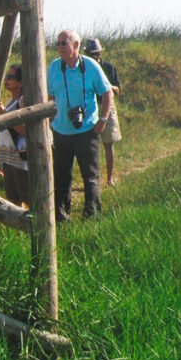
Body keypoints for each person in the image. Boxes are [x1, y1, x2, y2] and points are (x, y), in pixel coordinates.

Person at [48, 29, 113, 221]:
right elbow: (50, 96)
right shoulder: (53, 67)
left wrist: (103, 119)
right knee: (61, 176)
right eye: (58, 43)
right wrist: (51, 121)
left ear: (76, 45)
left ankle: (92, 213)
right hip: (61, 131)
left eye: (64, 43)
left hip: (87, 130)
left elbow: (107, 92)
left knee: (90, 175)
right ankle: (61, 216)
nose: (60, 47)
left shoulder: (91, 66)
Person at [84, 38, 123, 187]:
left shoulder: (108, 67)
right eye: (90, 54)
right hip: (90, 107)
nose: (94, 56)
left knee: (108, 144)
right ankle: (92, 179)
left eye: (96, 53)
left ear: (100, 53)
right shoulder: (84, 68)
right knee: (87, 146)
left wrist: (107, 86)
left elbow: (118, 90)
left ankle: (109, 178)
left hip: (107, 106)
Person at [0, 64, 28, 208]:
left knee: (26, 195)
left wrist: (5, 115)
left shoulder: (23, 100)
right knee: (13, 197)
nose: (6, 80)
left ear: (20, 83)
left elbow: (25, 131)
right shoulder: (10, 102)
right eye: (6, 76)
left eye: (10, 77)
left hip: (20, 158)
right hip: (9, 157)